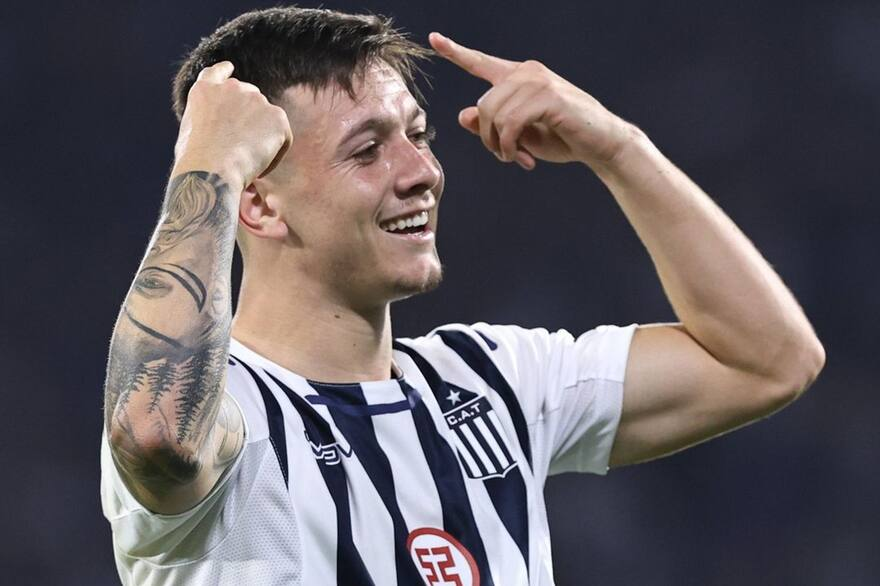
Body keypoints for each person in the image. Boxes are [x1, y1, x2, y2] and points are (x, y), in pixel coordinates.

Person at [100, 6, 824, 586]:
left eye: (418, 136)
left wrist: (618, 147)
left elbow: (767, 360)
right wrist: (208, 164)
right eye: (367, 150)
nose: (422, 172)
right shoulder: (230, 415)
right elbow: (157, 432)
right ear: (258, 203)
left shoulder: (490, 382)